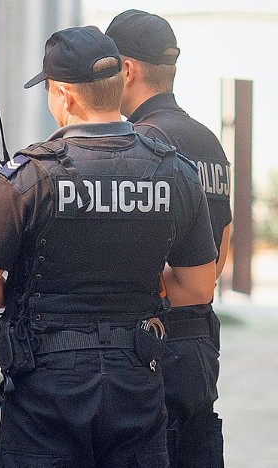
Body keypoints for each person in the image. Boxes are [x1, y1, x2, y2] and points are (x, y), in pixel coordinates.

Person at [0, 26, 218, 468]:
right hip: (137, 375)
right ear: (120, 84)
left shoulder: (30, 174)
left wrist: (25, 296)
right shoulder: (173, 170)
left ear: (65, 94)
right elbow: (198, 288)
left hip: (46, 382)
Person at [106, 10, 232, 467]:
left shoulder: (141, 142)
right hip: (198, 342)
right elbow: (225, 241)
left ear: (128, 69)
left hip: (148, 344)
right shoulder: (209, 142)